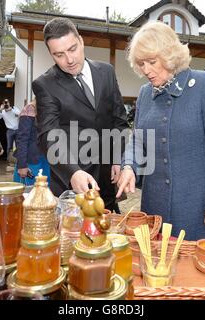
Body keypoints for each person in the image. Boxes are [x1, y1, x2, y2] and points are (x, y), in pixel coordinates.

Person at [116, 21, 205, 241]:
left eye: (152, 62)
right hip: (156, 210)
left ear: (169, 54)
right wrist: (129, 165)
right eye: (141, 64)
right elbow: (137, 139)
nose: (146, 70)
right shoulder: (145, 93)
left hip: (198, 210)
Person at [32, 17, 129, 212]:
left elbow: (119, 120)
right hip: (72, 187)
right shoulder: (45, 84)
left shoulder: (106, 72)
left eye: (72, 49)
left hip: (107, 180)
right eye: (59, 54)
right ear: (51, 54)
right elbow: (48, 136)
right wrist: (73, 172)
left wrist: (118, 158)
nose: (69, 60)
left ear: (81, 41)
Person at [13, 98, 50, 185]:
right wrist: (22, 165)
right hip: (31, 161)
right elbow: (22, 139)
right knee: (28, 195)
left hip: (46, 160)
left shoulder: (48, 110)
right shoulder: (29, 109)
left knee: (45, 194)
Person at [0, 98, 20, 168]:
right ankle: (10, 161)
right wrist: (0, 109)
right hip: (10, 130)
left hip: (18, 130)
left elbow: (19, 114)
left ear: (9, 103)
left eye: (7, 102)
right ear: (3, 104)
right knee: (9, 146)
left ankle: (19, 160)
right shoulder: (2, 112)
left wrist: (11, 109)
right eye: (5, 103)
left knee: (19, 145)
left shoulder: (14, 108)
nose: (6, 104)